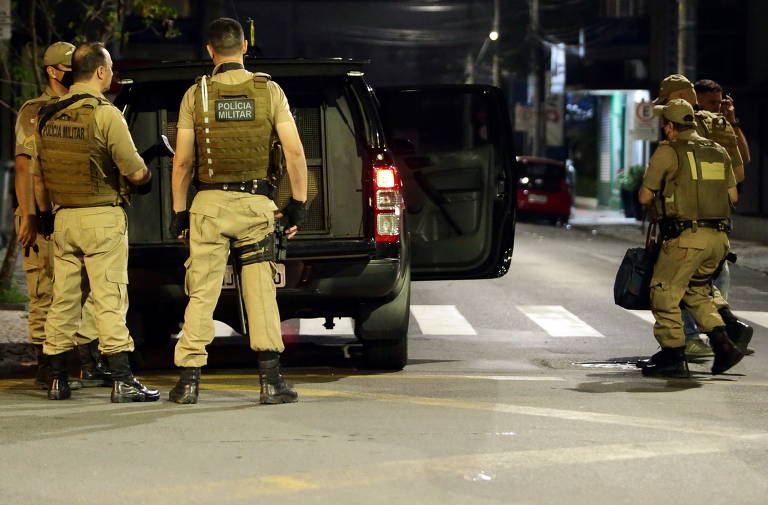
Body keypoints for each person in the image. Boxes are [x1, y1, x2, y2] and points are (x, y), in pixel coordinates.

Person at [168, 17, 308, 404]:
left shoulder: (196, 94)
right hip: (255, 206)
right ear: (244, 47)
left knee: (202, 292)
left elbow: (182, 163)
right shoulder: (269, 91)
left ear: (210, 51)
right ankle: (270, 381)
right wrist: (297, 205)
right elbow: (295, 152)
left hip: (208, 206)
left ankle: (188, 382)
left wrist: (180, 212)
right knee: (261, 290)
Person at [32, 42, 159, 402]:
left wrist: (44, 217)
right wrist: (146, 180)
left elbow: (38, 177)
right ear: (100, 71)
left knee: (63, 300)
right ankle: (122, 379)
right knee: (109, 298)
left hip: (63, 217)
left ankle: (58, 379)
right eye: (111, 68)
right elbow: (134, 170)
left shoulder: (46, 114)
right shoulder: (104, 114)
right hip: (101, 216)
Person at [14, 41, 110, 390]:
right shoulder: (36, 110)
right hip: (42, 215)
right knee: (46, 289)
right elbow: (25, 170)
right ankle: (47, 363)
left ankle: (82, 360)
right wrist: (29, 216)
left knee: (83, 290)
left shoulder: (83, 106)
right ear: (53, 72)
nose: (73, 76)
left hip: (73, 212)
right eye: (68, 71)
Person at [637, 99, 742, 378]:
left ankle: (672, 354)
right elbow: (733, 196)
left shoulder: (669, 151)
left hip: (686, 238)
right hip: (719, 240)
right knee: (696, 292)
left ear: (670, 127)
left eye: (665, 126)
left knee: (664, 292)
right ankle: (724, 345)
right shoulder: (718, 150)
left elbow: (644, 196)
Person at [653, 74, 753, 359]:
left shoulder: (702, 126)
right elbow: (739, 169)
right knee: (707, 280)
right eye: (710, 103)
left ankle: (694, 338)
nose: (716, 108)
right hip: (712, 219)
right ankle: (727, 330)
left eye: (720, 103)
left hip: (692, 219)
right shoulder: (702, 124)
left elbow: (741, 161)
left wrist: (731, 120)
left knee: (676, 284)